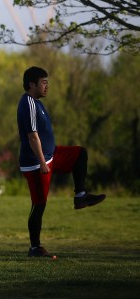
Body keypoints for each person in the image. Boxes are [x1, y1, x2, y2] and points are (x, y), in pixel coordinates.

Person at [17, 66, 106, 258]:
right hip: (36, 163)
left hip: (52, 155)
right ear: (32, 84)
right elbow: (32, 136)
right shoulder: (29, 103)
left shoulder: (38, 102)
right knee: (39, 205)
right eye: (44, 82)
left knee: (79, 153)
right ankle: (35, 248)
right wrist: (42, 163)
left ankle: (80, 196)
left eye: (47, 82)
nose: (47, 86)